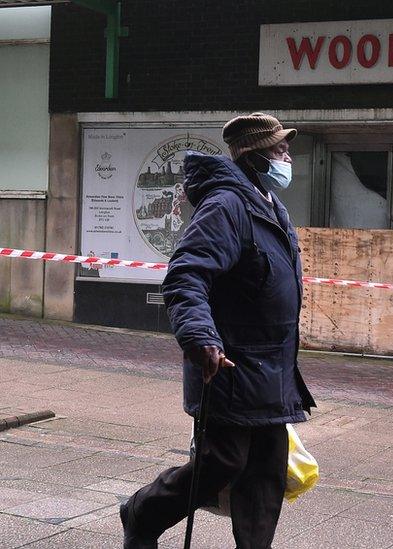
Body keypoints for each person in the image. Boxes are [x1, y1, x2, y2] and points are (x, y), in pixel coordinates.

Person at [120, 113, 316, 549]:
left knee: (266, 475)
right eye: (280, 150)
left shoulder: (269, 204)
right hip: (230, 365)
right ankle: (142, 512)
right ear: (254, 157)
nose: (288, 157)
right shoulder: (226, 206)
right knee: (222, 463)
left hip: (273, 367)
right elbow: (186, 276)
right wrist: (200, 339)